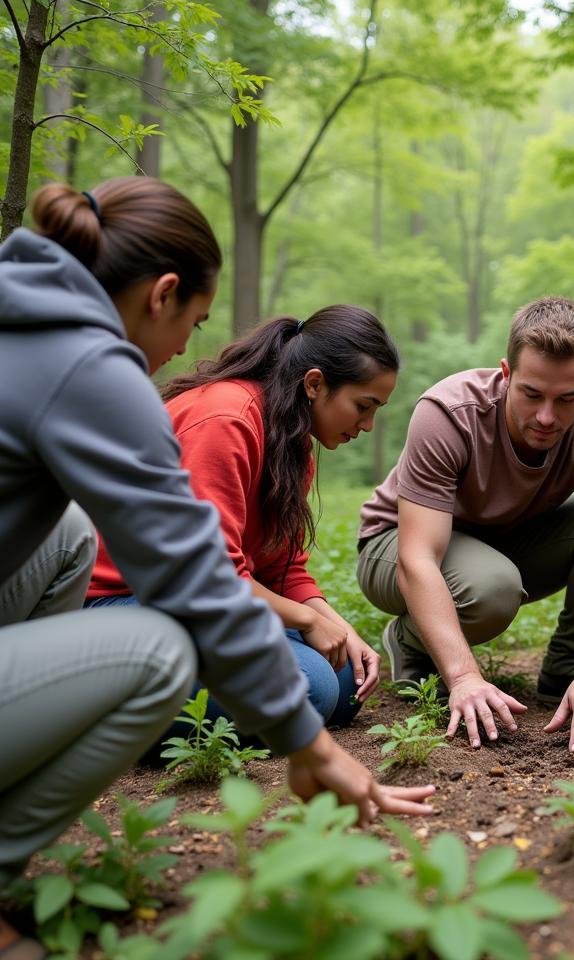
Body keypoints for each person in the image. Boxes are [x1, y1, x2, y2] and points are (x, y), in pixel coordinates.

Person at [0, 179, 432, 958]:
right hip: (124, 604)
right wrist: (313, 746)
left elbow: (282, 568)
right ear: (162, 294)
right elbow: (198, 579)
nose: (178, 352)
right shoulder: (156, 391)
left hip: (111, 597)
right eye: (192, 321)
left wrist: (323, 613)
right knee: (214, 665)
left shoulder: (29, 324)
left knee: (68, 532)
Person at [357, 297, 574, 752]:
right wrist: (462, 676)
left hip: (507, 541)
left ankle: (566, 674)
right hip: (395, 544)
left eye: (567, 399)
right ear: (506, 374)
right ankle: (410, 641)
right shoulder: (448, 413)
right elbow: (418, 557)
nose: (546, 416)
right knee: (491, 589)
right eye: (532, 394)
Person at [87, 305, 394, 732]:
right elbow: (206, 575)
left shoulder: (290, 442)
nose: (367, 425)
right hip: (123, 604)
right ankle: (94, 706)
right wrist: (307, 621)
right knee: (309, 685)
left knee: (344, 679)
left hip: (198, 606)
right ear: (315, 383)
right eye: (364, 405)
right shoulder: (226, 420)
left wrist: (342, 629)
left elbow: (280, 569)